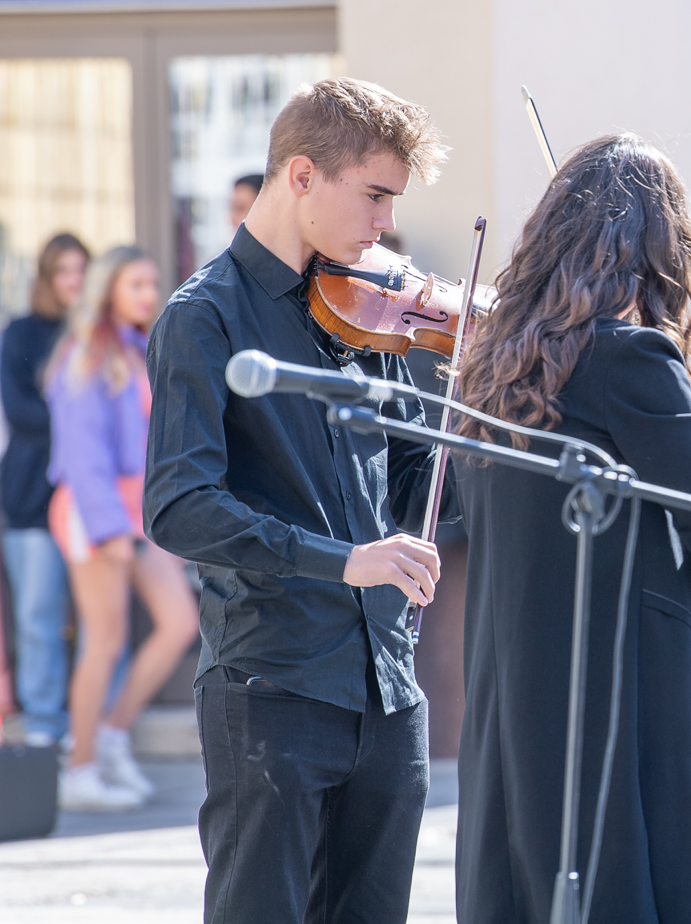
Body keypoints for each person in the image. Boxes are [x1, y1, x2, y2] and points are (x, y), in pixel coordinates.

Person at [144, 78, 451, 922]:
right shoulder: (202, 317)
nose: (387, 222)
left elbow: (415, 482)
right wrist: (345, 561)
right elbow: (179, 506)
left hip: (388, 692)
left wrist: (477, 414)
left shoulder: (368, 311)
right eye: (377, 194)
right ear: (304, 175)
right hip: (271, 686)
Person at [452, 134, 691, 924]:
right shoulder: (632, 360)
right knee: (630, 880)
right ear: (661, 249)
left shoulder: (491, 364)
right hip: (621, 679)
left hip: (514, 677)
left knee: (528, 875)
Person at [46, 247, 199, 811]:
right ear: (108, 288)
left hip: (135, 516)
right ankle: (80, 768)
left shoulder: (135, 349)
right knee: (104, 641)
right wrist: (111, 530)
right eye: (135, 283)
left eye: (153, 282)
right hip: (97, 514)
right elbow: (83, 454)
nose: (148, 294)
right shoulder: (87, 354)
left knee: (178, 623)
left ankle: (110, 737)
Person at [2, 234, 88, 748]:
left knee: (100, 620)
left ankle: (90, 722)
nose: (73, 282)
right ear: (46, 277)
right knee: (38, 614)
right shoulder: (22, 334)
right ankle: (43, 724)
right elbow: (22, 414)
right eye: (62, 271)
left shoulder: (100, 335)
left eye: (81, 270)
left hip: (90, 498)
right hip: (31, 495)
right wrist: (81, 424)